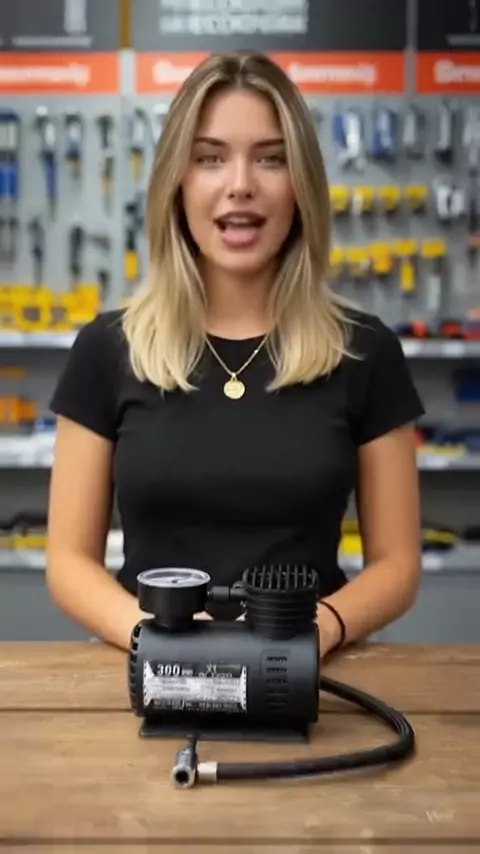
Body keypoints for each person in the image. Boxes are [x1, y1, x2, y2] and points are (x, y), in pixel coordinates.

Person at [46, 50, 425, 656]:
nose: (240, 184)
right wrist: (156, 639)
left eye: (271, 158)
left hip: (308, 674)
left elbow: (397, 564)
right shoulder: (107, 349)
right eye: (210, 157)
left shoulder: (365, 350)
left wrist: (316, 632)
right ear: (177, 181)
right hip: (149, 671)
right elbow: (68, 560)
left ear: (301, 185)